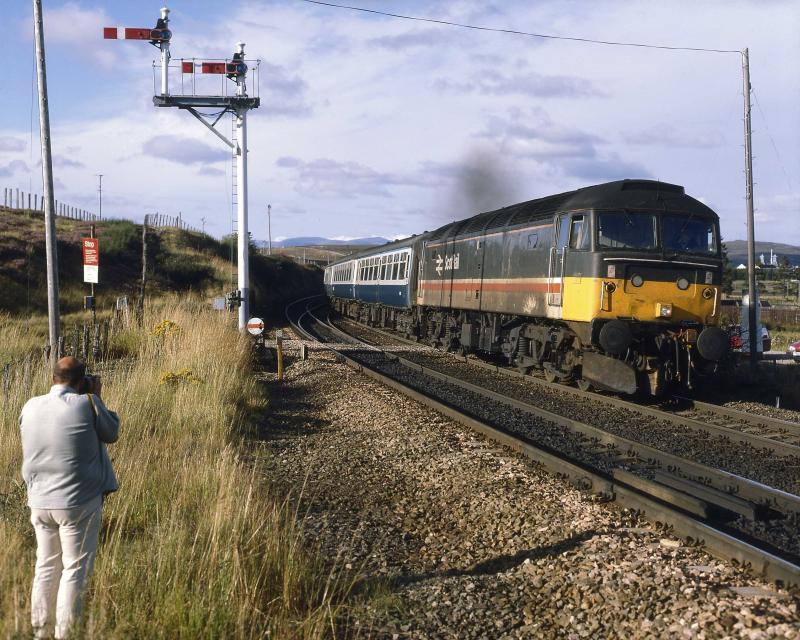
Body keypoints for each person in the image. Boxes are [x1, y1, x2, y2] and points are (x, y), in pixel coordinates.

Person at [19, 356, 120, 640]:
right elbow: (111, 432)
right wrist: (96, 396)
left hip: (39, 500)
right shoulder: (87, 404)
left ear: (53, 378)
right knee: (74, 568)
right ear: (81, 381)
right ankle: (66, 633)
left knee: (45, 565)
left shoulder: (30, 406)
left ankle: (40, 631)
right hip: (78, 501)